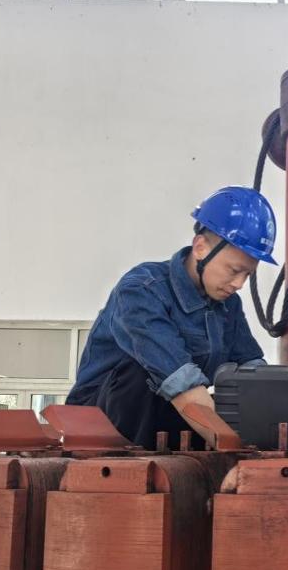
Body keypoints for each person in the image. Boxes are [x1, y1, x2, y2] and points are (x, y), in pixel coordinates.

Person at [67, 186, 276, 449]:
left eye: (248, 274)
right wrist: (239, 451)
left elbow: (251, 371)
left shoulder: (228, 304)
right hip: (99, 422)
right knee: (148, 375)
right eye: (234, 270)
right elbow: (179, 382)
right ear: (200, 248)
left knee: (220, 400)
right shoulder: (141, 289)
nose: (239, 284)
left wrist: (278, 419)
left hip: (172, 412)